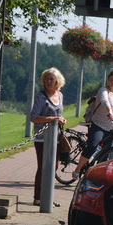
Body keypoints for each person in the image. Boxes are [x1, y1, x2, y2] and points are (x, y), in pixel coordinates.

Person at [73, 69, 113, 179]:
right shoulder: (103, 90)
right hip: (99, 124)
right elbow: (104, 101)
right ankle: (77, 169)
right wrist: (110, 112)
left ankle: (99, 175)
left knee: (107, 152)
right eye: (111, 80)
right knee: (92, 146)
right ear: (108, 80)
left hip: (112, 127)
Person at [30, 67, 67, 207]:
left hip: (56, 137)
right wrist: (52, 118)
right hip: (42, 138)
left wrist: (61, 119)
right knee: (44, 167)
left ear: (58, 80)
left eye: (52, 79)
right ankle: (39, 197)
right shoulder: (41, 97)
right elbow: (33, 117)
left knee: (54, 166)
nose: (49, 81)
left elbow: (59, 113)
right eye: (47, 79)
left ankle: (48, 196)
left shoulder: (60, 95)